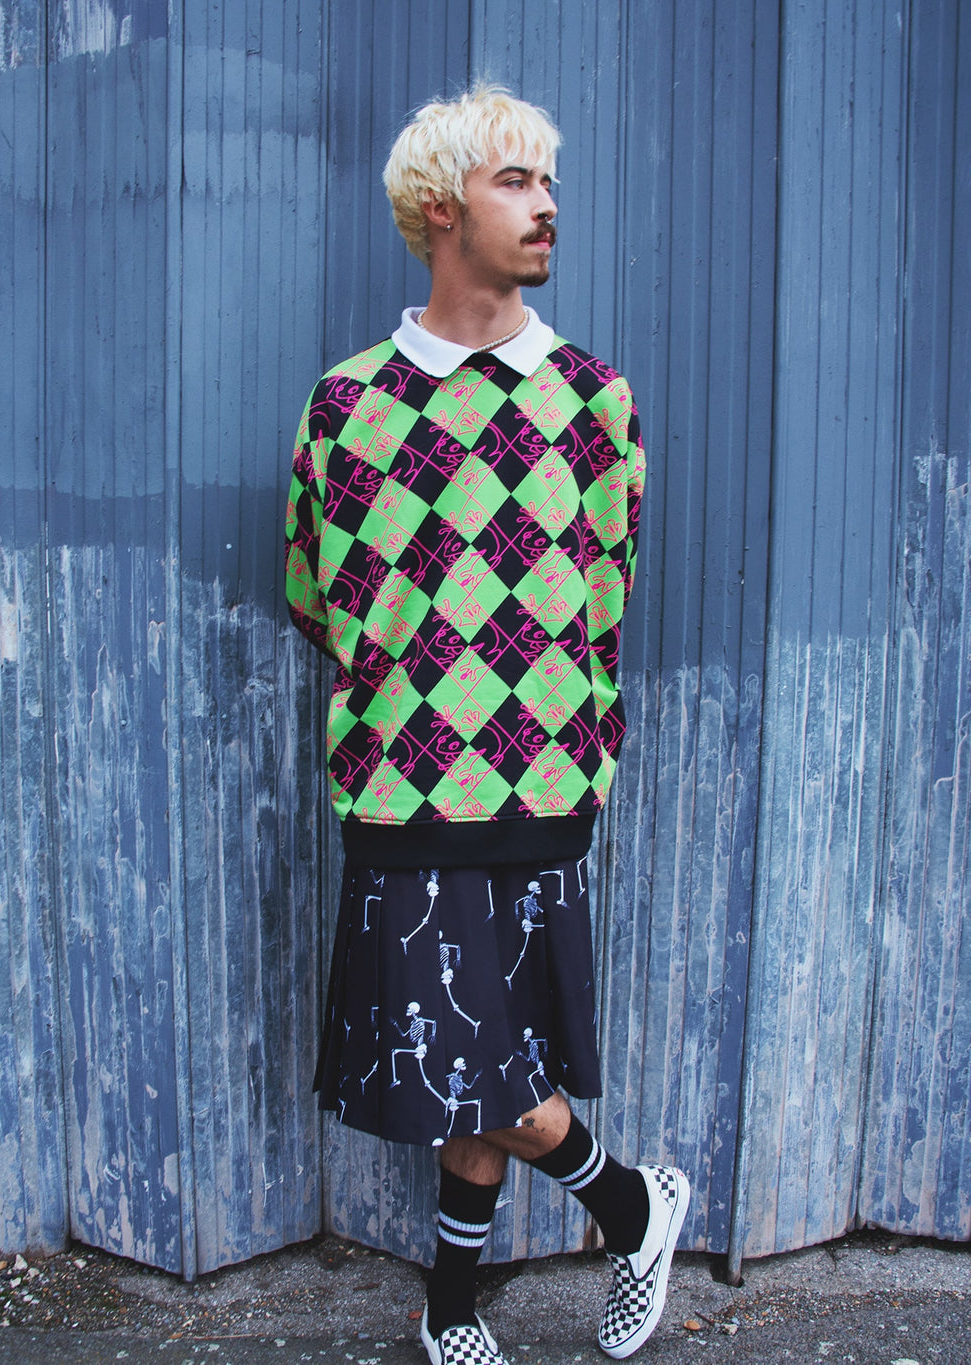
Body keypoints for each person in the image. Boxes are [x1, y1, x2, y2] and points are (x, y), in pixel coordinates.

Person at [285, 85, 688, 1365]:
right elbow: (315, 594)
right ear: (442, 206)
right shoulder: (349, 407)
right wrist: (415, 687)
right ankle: (631, 1207)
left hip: (544, 776)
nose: (547, 203)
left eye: (548, 181)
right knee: (455, 1048)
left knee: (487, 1052)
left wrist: (547, 711)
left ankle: (449, 1306)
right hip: (401, 780)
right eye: (517, 180)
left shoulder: (592, 401)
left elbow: (606, 588)